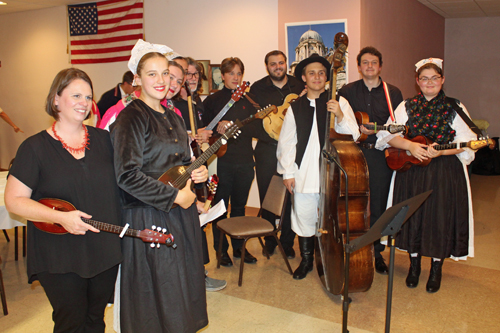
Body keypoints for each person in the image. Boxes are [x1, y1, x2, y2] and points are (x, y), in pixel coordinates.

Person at [4, 68, 122, 332]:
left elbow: (131, 179)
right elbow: (14, 201)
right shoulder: (34, 148)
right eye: (76, 95)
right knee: (71, 322)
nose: (84, 103)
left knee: (95, 320)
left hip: (103, 249)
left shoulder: (105, 140)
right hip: (58, 255)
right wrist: (61, 218)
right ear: (56, 99)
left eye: (88, 97)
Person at [110, 39, 208, 332]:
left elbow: (179, 164)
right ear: (137, 79)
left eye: (165, 73)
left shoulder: (173, 117)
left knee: (183, 287)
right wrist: (175, 196)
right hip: (149, 216)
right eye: (152, 74)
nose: (161, 80)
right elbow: (126, 176)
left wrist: (197, 173)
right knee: (159, 291)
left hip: (180, 214)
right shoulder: (131, 118)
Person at [375, 58, 476, 293]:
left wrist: (442, 152)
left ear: (442, 80)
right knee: (413, 217)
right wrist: (410, 146)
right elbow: (388, 136)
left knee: (438, 219)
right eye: (424, 78)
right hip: (412, 171)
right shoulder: (406, 107)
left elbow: (466, 142)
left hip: (444, 171)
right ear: (417, 81)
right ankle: (414, 266)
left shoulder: (454, 107)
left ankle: (436, 269)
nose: (429, 82)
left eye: (434, 78)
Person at [277, 54, 360, 280]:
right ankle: (306, 260)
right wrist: (288, 173)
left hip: (333, 173)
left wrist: (340, 114)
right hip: (304, 173)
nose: (317, 77)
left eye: (321, 73)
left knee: (333, 218)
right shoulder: (296, 107)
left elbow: (355, 134)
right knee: (304, 217)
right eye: (312, 73)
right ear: (304, 77)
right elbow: (286, 143)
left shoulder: (339, 102)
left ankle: (330, 257)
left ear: (327, 77)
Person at [339, 46, 403, 275]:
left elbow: (399, 126)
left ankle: (376, 253)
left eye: (373, 63)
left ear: (380, 66)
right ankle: (353, 248)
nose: (369, 66)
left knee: (377, 203)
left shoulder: (392, 92)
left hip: (379, 154)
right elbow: (341, 123)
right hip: (353, 154)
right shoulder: (347, 91)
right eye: (365, 63)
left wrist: (380, 130)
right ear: (358, 67)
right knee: (353, 203)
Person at [202, 57, 259, 266]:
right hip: (221, 163)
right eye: (231, 73)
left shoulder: (249, 100)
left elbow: (256, 129)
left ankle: (239, 248)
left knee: (239, 208)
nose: (235, 77)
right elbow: (203, 130)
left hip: (245, 161)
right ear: (222, 76)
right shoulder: (212, 101)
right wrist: (217, 126)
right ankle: (221, 250)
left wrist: (235, 125)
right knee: (219, 208)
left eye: (239, 73)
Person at [249, 50, 305, 259]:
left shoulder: (299, 86)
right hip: (267, 149)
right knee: (266, 197)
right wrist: (270, 131)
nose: (277, 67)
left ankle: (288, 242)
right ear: (267, 66)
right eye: (273, 64)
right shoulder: (257, 89)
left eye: (281, 63)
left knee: (291, 196)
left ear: (286, 64)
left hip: (293, 151)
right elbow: (251, 121)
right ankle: (270, 240)